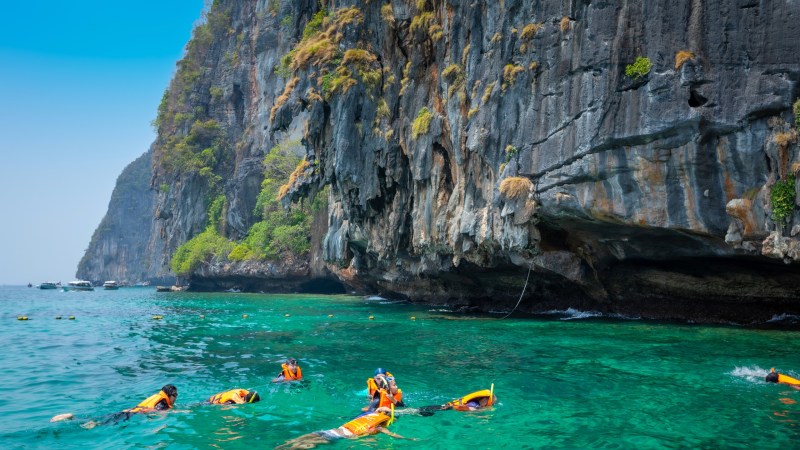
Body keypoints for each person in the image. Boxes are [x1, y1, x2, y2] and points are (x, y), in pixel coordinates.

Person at [274, 407, 409, 450]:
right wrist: (409, 438)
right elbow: (391, 434)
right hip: (337, 436)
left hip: (330, 430)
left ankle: (281, 446)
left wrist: (386, 409)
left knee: (303, 438)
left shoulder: (370, 415)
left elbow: (379, 409)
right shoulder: (378, 425)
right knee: (307, 445)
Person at [52, 384, 178, 428]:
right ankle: (76, 419)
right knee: (99, 424)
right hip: (131, 414)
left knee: (101, 418)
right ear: (170, 394)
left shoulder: (157, 397)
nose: (176, 398)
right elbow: (157, 412)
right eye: (175, 395)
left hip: (126, 411)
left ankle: (73, 418)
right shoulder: (163, 403)